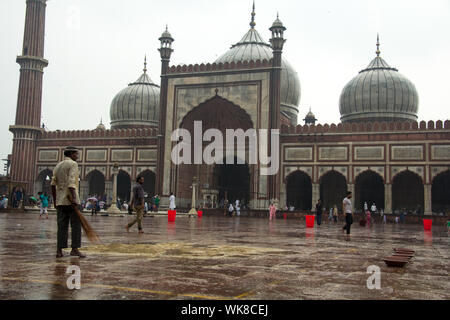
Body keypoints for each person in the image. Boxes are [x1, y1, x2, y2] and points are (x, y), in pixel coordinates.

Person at [51, 146, 85, 258]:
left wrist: (55, 200)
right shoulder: (73, 164)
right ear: (71, 154)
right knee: (75, 226)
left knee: (62, 227)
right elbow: (71, 183)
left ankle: (59, 251)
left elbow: (52, 184)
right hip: (71, 201)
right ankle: (74, 249)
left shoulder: (58, 165)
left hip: (60, 201)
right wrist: (74, 198)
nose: (77, 156)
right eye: (76, 154)